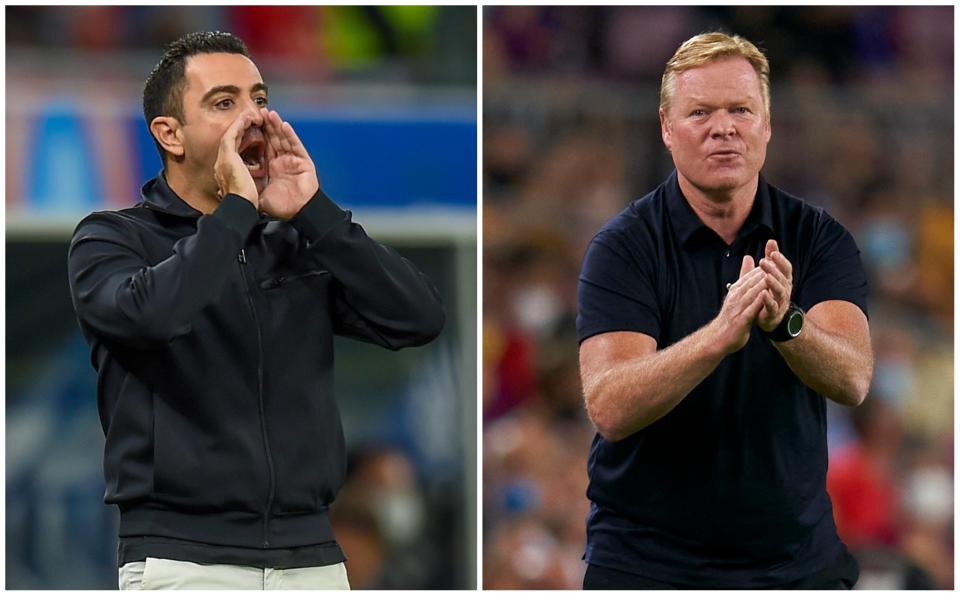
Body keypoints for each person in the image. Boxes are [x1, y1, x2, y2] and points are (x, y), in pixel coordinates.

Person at [67, 31, 445, 590]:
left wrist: (313, 212)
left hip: (313, 557)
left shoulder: (292, 240)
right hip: (185, 561)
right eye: (225, 103)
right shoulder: (110, 239)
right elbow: (153, 316)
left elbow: (417, 317)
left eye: (260, 99)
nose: (255, 118)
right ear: (170, 134)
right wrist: (236, 212)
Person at [576, 32, 873, 589]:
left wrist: (787, 326)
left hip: (794, 566)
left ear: (767, 124)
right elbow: (609, 405)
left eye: (741, 109)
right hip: (647, 565)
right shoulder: (623, 248)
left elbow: (854, 378)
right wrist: (719, 336)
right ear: (666, 128)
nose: (723, 128)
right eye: (700, 113)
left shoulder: (818, 238)